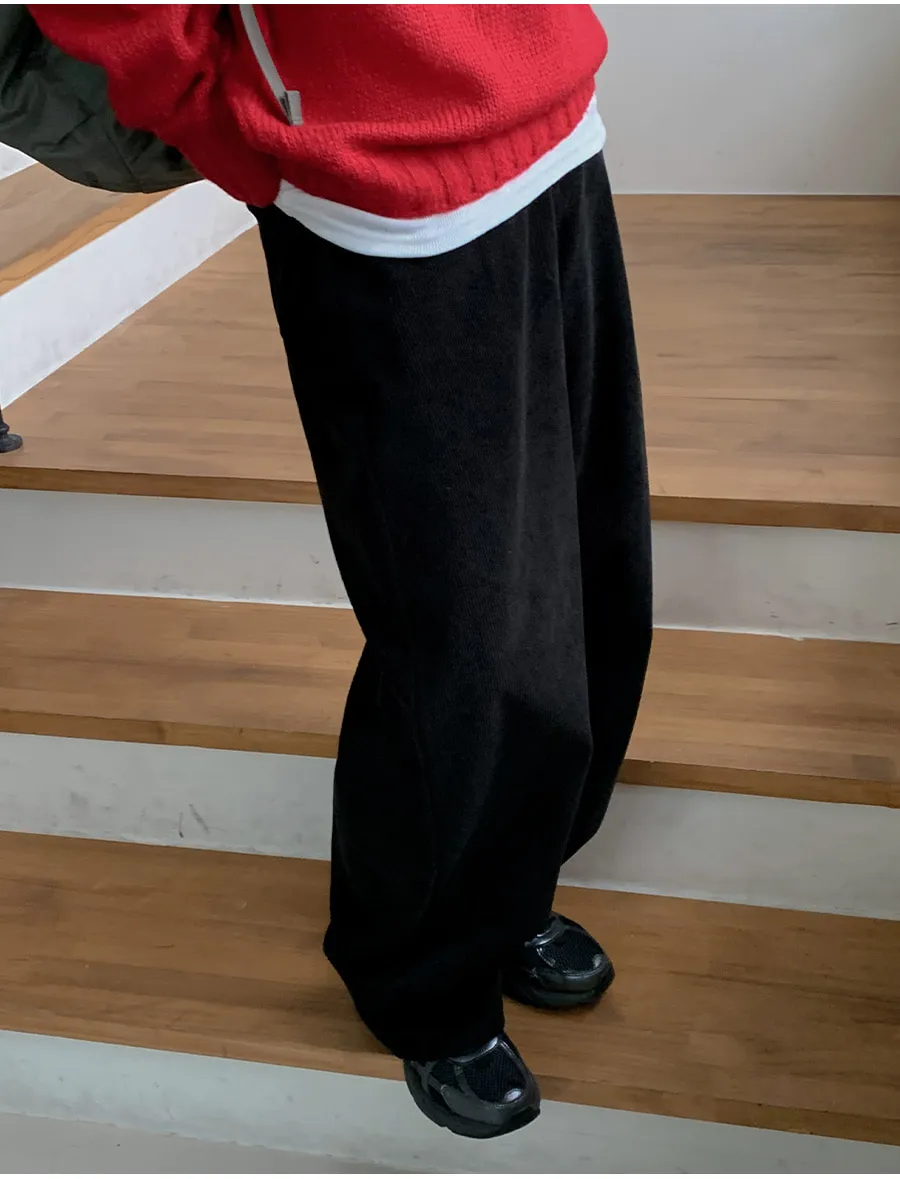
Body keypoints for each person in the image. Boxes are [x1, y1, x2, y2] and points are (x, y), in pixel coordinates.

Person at [28, 4, 652, 1140]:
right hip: (378, 184)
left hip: (555, 119)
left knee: (594, 564)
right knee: (461, 633)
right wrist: (240, 130)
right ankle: (422, 975)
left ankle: (510, 887)